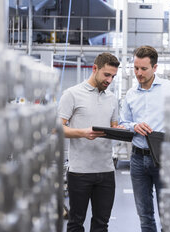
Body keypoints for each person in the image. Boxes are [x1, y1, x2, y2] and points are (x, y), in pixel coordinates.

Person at [120, 46, 170, 232]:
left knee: (168, 214)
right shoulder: (130, 95)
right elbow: (123, 123)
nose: (138, 73)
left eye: (143, 69)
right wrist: (134, 126)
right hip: (138, 159)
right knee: (145, 215)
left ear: (155, 67)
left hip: (164, 158)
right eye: (135, 68)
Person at [58, 52, 121, 232]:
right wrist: (83, 133)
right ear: (95, 69)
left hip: (107, 171)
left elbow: (114, 127)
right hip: (80, 173)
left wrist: (121, 131)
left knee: (101, 224)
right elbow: (57, 128)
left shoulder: (112, 98)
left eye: (113, 77)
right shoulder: (72, 94)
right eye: (106, 75)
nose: (109, 80)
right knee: (76, 223)